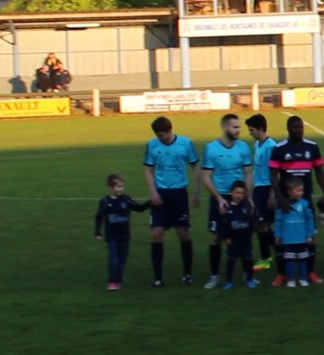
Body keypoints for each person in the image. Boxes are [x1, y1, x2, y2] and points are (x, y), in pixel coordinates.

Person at [269, 115, 324, 286]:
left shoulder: (312, 147)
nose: (299, 130)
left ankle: (310, 272)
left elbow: (319, 172)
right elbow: (273, 175)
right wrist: (280, 198)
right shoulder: (279, 149)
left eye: (301, 127)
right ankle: (282, 274)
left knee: (309, 235)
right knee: (282, 237)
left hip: (305, 200)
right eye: (295, 127)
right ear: (288, 129)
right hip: (286, 202)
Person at [143, 116, 200, 288]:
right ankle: (158, 278)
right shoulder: (152, 145)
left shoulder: (185, 143)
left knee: (183, 232)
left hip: (179, 192)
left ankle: (187, 274)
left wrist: (196, 192)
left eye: (162, 135)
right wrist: (153, 192)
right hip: (160, 193)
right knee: (156, 233)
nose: (160, 138)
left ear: (170, 131)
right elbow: (148, 170)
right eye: (158, 136)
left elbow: (195, 166)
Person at [200, 113, 253, 290]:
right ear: (224, 127)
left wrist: (248, 197)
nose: (238, 130)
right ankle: (214, 276)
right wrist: (219, 198)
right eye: (235, 127)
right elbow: (206, 177)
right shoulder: (211, 149)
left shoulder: (243, 147)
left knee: (244, 235)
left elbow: (248, 173)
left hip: (239, 197)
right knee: (216, 237)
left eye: (239, 127)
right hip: (220, 197)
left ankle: (247, 274)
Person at [95, 174, 148, 290]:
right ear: (110, 187)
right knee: (114, 259)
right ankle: (112, 281)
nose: (121, 189)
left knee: (122, 261)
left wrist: (150, 203)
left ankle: (118, 280)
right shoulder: (105, 201)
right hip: (112, 236)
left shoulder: (126, 199)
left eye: (122, 186)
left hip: (125, 236)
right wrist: (97, 232)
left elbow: (139, 208)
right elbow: (99, 217)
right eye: (118, 186)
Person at [245, 114, 278, 272]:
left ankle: (266, 258)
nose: (250, 133)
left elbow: (275, 172)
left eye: (251, 130)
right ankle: (278, 251)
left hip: (267, 188)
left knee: (262, 224)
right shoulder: (257, 145)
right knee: (261, 224)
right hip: (258, 188)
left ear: (260, 129)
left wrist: (272, 194)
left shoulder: (271, 146)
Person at [274, 177, 316, 287]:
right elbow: (278, 221)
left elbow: (309, 220)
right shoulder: (283, 205)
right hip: (288, 239)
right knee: (289, 260)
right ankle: (291, 279)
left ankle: (302, 278)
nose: (301, 193)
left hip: (301, 238)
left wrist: (309, 235)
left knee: (303, 259)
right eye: (298, 190)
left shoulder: (305, 204)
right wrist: (278, 235)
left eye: (302, 190)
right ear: (289, 191)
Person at [217, 181, 256, 289]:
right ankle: (229, 281)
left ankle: (250, 279)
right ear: (231, 193)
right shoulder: (227, 208)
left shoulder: (247, 206)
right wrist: (226, 237)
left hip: (246, 240)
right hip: (233, 241)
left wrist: (250, 233)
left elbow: (251, 221)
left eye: (242, 193)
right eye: (237, 192)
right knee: (231, 261)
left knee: (248, 260)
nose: (239, 195)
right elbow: (222, 225)